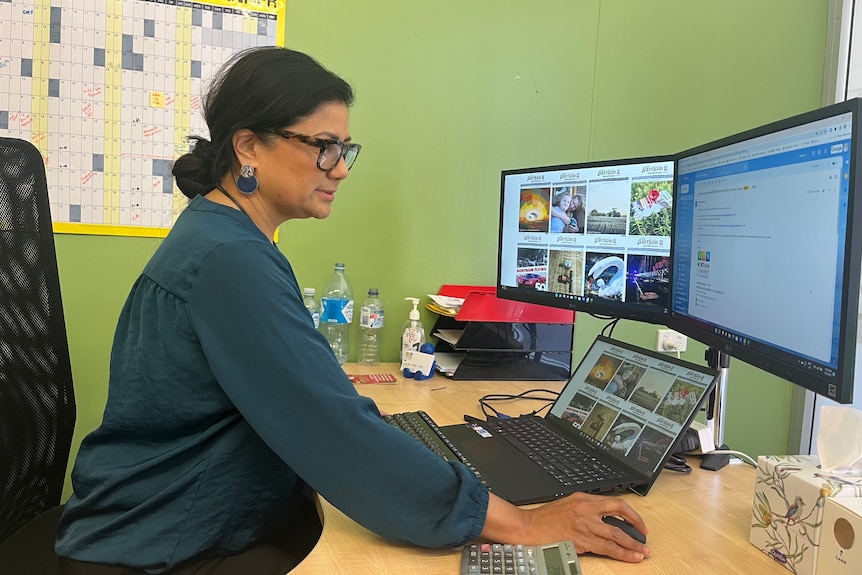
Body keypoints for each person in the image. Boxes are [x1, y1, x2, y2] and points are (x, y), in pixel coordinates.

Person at [54, 47, 650, 575]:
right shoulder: (231, 259)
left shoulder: (218, 237)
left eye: (345, 149)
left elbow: (313, 410)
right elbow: (333, 433)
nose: (340, 167)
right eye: (323, 147)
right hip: (157, 547)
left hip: (158, 520)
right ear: (246, 146)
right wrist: (523, 526)